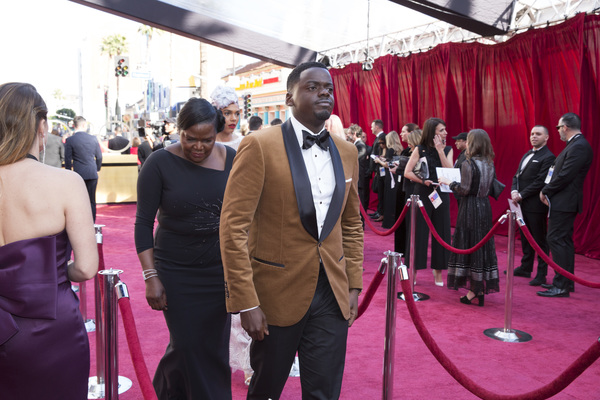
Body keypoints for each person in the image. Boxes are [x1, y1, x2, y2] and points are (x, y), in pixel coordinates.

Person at [219, 61, 363, 400]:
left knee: (325, 391)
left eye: (327, 88)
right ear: (289, 97)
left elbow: (352, 222)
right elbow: (232, 227)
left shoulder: (347, 152)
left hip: (332, 293)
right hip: (275, 295)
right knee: (266, 389)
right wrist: (245, 301)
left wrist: (354, 283)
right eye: (312, 87)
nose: (323, 93)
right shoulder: (259, 145)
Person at [0, 82, 98, 398]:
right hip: (52, 325)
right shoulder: (66, 182)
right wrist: (52, 275)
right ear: (42, 126)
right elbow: (86, 268)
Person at [134, 97, 234, 399]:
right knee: (189, 344)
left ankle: (166, 393)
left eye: (207, 139)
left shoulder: (232, 158)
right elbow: (142, 224)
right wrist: (151, 277)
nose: (199, 146)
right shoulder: (159, 163)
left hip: (219, 273)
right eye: (191, 138)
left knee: (212, 348)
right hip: (176, 273)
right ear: (179, 131)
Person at [439, 129, 499, 305]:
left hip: (470, 208)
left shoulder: (468, 163)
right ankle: (478, 289)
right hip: (485, 208)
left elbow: (464, 189)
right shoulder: (489, 162)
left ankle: (475, 290)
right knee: (480, 245)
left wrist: (449, 182)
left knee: (469, 244)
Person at [537, 112, 593, 298]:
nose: (558, 131)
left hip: (564, 201)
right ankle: (565, 282)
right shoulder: (575, 145)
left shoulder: (579, 146)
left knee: (556, 240)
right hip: (563, 200)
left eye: (558, 127)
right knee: (563, 241)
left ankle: (561, 284)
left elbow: (565, 175)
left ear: (565, 127)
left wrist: (546, 191)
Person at [404, 117, 453, 286]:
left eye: (445, 130)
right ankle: (414, 271)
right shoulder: (420, 149)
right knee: (418, 233)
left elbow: (450, 172)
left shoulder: (448, 150)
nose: (445, 133)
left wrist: (440, 151)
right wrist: (422, 181)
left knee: (442, 232)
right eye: (441, 130)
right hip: (423, 193)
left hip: (441, 194)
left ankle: (438, 272)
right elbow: (407, 172)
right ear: (432, 132)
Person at [510, 125, 555, 286]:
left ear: (547, 137)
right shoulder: (527, 154)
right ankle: (525, 267)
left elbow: (540, 182)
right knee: (524, 236)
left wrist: (521, 195)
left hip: (536, 205)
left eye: (538, 134)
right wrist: (514, 190)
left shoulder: (549, 157)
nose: (534, 136)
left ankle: (541, 274)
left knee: (539, 240)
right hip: (521, 204)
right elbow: (517, 175)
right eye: (532, 134)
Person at [65, 115, 102, 221]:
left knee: (79, 201)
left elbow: (68, 160)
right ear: (84, 125)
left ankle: (81, 223)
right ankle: (92, 223)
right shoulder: (93, 138)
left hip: (78, 174)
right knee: (92, 201)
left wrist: (69, 174)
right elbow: (99, 157)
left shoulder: (70, 140)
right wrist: (97, 169)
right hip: (92, 173)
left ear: (74, 126)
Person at [390, 123, 419, 254]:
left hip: (411, 188)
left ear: (412, 133)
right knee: (400, 218)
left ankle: (409, 250)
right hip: (401, 186)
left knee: (410, 221)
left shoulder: (418, 151)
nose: (401, 134)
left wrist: (400, 168)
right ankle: (401, 248)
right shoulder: (406, 151)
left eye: (404, 132)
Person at [376, 130, 404, 229]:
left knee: (389, 198)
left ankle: (388, 222)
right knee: (395, 198)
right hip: (397, 176)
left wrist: (379, 160)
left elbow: (387, 165)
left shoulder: (390, 150)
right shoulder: (401, 149)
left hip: (391, 176)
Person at [210, 85, 243, 150]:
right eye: (227, 113)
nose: (234, 118)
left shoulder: (244, 143)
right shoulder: (206, 144)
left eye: (237, 113)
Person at [368, 119, 386, 219]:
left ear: (377, 127)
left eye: (372, 126)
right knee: (378, 190)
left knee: (381, 191)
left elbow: (380, 152)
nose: (371, 128)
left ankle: (381, 212)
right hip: (377, 169)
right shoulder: (378, 137)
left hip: (380, 168)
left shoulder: (382, 137)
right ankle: (379, 211)